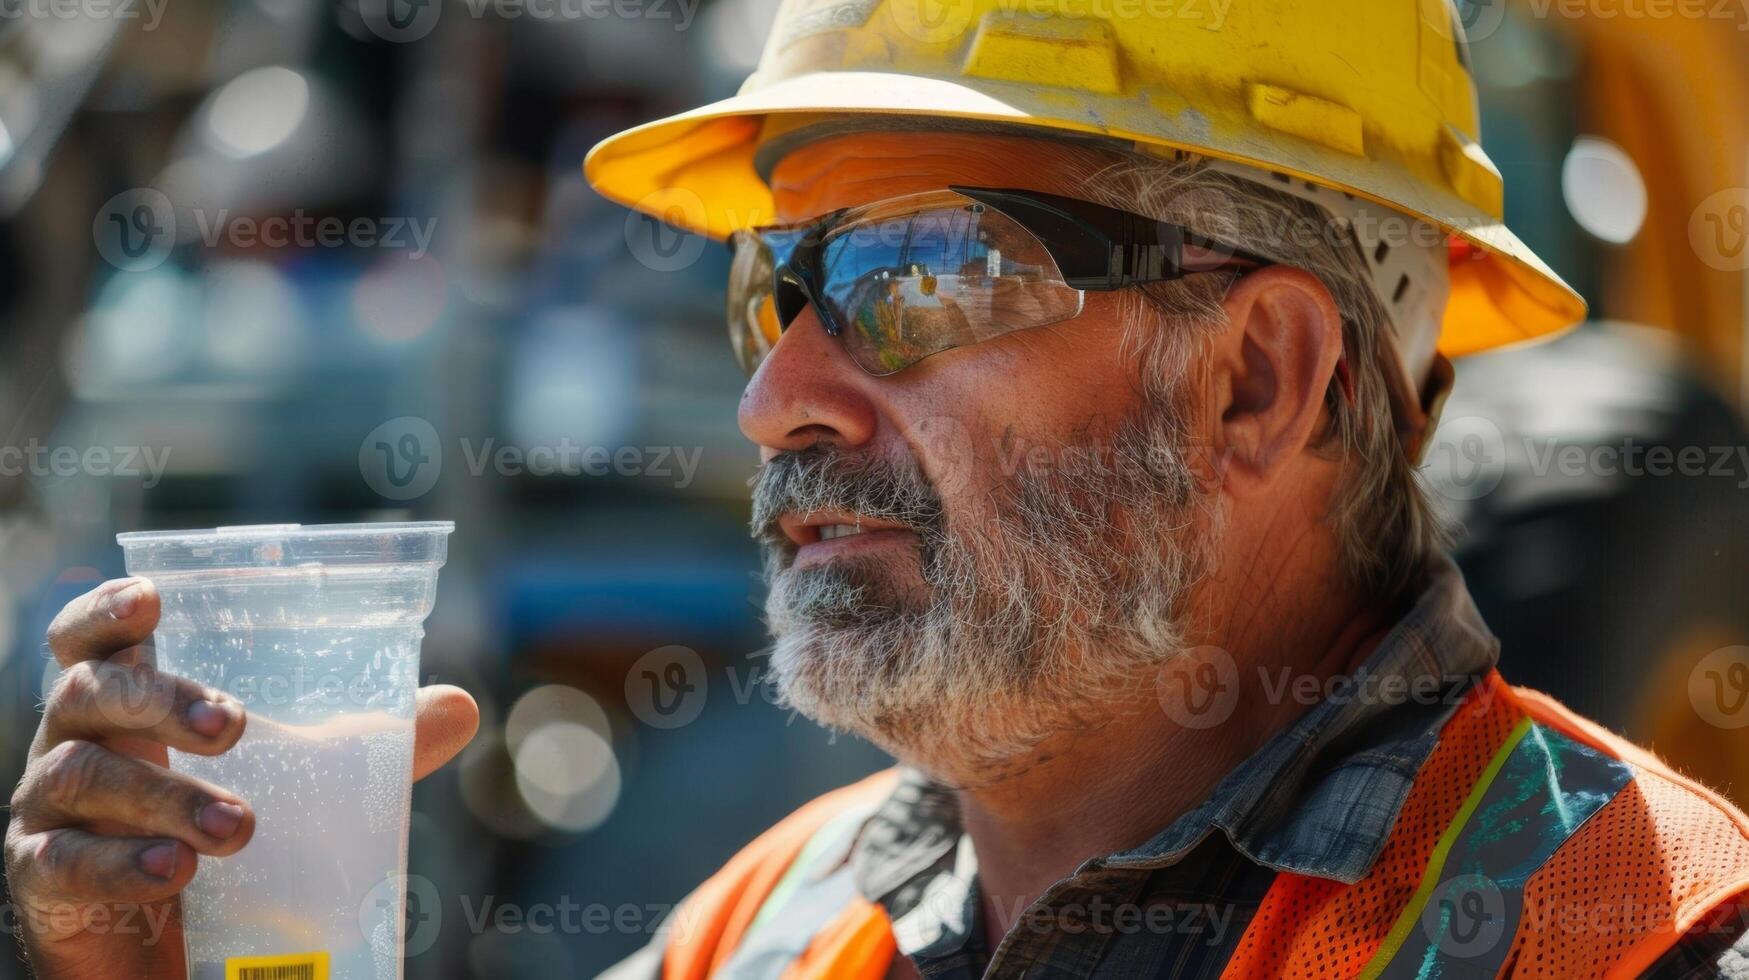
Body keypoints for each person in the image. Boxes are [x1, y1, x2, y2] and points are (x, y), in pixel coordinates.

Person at [11, 4, 1749, 980]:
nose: (777, 394)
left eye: (922, 274)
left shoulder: (1649, 943)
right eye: (778, 284)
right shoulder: (757, 934)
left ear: (1257, 377)